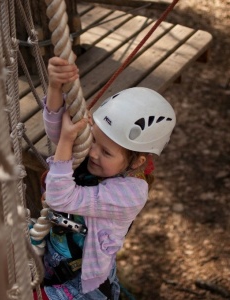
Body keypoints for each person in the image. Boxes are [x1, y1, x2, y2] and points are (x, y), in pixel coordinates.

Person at [40, 57, 176, 299]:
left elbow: (59, 197)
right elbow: (59, 133)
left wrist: (68, 142)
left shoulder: (130, 194)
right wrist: (54, 88)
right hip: (54, 258)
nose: (92, 153)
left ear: (137, 162)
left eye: (106, 152)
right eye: (93, 140)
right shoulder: (99, 161)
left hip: (81, 286)